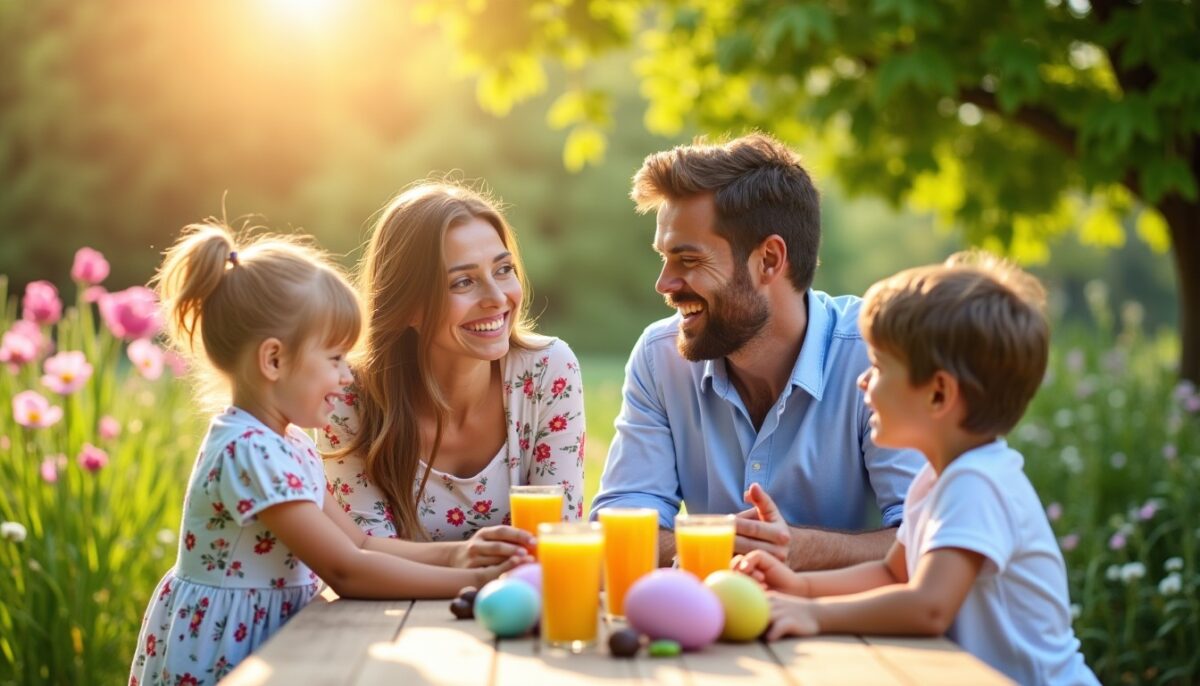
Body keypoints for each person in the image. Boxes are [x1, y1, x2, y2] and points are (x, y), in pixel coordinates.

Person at [129, 222, 525, 686]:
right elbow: (345, 569)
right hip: (225, 653)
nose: (346, 377)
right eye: (334, 358)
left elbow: (361, 544)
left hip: (274, 641)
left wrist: (462, 555)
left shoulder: (289, 443)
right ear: (274, 360)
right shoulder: (249, 451)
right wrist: (477, 583)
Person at [734, 251, 1099, 685]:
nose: (862, 381)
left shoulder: (977, 483)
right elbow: (893, 574)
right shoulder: (937, 478)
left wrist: (815, 614)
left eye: (879, 367)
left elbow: (928, 607)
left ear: (938, 394)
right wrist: (800, 587)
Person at [591, 134, 923, 570]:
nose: (664, 284)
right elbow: (618, 529)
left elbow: (926, 540)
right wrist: (723, 544)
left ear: (768, 260)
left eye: (688, 260)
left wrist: (797, 548)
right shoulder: (660, 359)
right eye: (664, 258)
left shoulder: (876, 357)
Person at [320, 180, 585, 552]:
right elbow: (367, 557)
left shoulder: (547, 371)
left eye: (503, 269)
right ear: (408, 305)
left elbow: (558, 543)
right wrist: (469, 563)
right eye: (463, 282)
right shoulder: (348, 394)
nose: (497, 298)